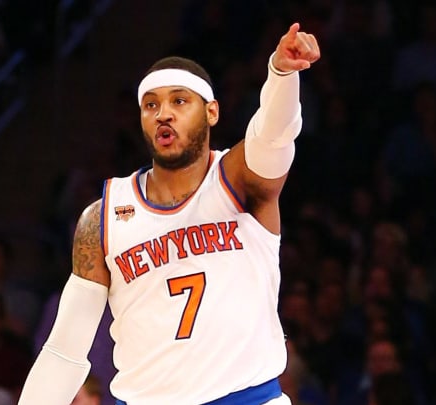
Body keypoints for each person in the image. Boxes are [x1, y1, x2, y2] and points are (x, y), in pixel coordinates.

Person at [18, 21, 320, 404]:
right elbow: (64, 351)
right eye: (151, 105)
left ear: (211, 112)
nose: (163, 113)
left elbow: (274, 134)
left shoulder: (240, 181)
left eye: (179, 100)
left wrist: (281, 74)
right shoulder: (103, 217)